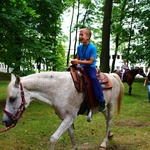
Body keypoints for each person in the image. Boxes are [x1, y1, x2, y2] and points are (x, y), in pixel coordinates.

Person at [71, 28, 105, 112]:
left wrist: (78, 61)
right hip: (80, 67)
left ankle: (101, 99)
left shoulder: (92, 48)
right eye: (80, 35)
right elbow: (77, 58)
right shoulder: (79, 47)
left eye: (82, 35)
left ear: (88, 37)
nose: (80, 36)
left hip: (90, 68)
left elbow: (90, 61)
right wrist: (74, 61)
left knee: (93, 78)